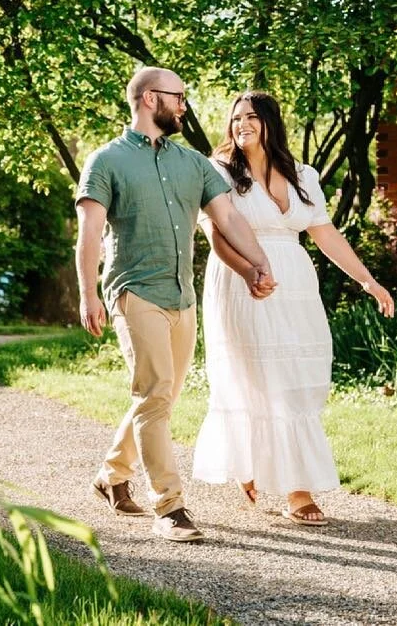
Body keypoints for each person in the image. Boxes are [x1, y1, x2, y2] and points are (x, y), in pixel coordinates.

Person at [76, 67, 277, 543]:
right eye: (178, 97)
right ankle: (170, 505)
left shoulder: (193, 163)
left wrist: (260, 263)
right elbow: (88, 235)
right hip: (134, 290)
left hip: (181, 294)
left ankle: (111, 475)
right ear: (149, 99)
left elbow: (228, 217)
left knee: (160, 395)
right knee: (156, 392)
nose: (185, 105)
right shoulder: (106, 161)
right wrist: (87, 293)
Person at [193, 90, 394, 526]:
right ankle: (294, 488)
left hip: (297, 284)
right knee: (257, 374)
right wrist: (251, 273)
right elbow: (215, 234)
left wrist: (367, 280)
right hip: (242, 280)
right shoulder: (219, 170)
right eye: (235, 118)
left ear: (270, 123)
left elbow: (325, 233)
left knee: (299, 377)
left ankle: (261, 466)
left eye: (250, 117)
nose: (241, 124)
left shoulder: (303, 174)